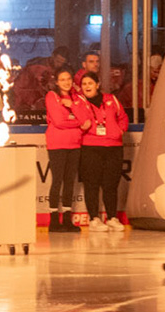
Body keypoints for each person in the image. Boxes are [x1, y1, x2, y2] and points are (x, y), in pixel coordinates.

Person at [78, 71, 129, 231]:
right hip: (91, 147)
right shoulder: (79, 103)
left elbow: (123, 117)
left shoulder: (111, 99)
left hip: (113, 147)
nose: (87, 86)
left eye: (90, 83)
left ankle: (112, 217)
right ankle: (94, 218)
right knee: (91, 184)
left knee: (111, 184)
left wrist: (120, 131)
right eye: (84, 84)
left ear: (97, 84)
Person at [44, 67, 86, 230]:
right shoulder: (52, 96)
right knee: (57, 181)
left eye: (68, 79)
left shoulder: (77, 97)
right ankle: (54, 220)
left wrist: (74, 111)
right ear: (56, 82)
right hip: (57, 144)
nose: (66, 82)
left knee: (70, 182)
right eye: (62, 79)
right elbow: (59, 121)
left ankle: (67, 219)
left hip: (74, 144)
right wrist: (77, 122)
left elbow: (87, 118)